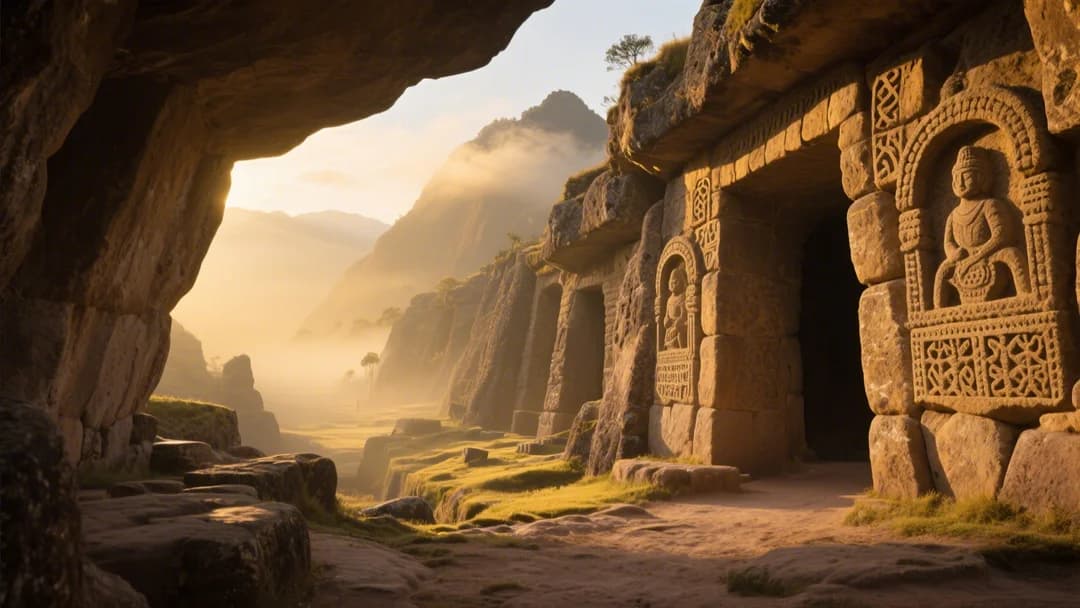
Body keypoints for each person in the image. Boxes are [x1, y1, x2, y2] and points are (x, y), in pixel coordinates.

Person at [933, 145, 1029, 307]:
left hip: (989, 254)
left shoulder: (990, 205)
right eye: (957, 178)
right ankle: (938, 311)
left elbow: (1002, 235)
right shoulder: (953, 215)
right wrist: (953, 254)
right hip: (963, 259)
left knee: (1013, 255)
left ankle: (1026, 298)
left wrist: (979, 255)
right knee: (942, 271)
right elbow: (948, 242)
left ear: (982, 178)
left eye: (967, 176)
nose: (960, 183)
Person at [663, 266, 688, 349]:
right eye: (671, 282)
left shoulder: (683, 297)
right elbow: (667, 315)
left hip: (680, 325)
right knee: (667, 335)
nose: (673, 285)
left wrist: (676, 327)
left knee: (679, 332)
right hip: (670, 328)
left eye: (676, 282)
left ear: (682, 282)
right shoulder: (669, 300)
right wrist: (666, 320)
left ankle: (682, 350)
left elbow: (684, 315)